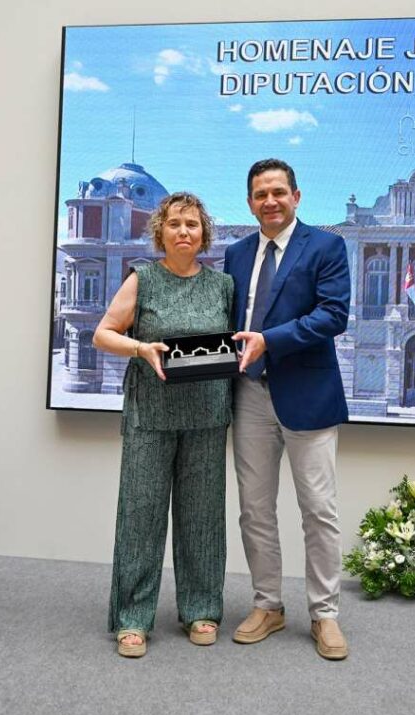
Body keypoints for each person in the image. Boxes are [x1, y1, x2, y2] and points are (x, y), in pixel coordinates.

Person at [93, 192, 233, 658]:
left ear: (204, 233)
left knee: (203, 518)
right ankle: (132, 618)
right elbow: (103, 334)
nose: (183, 231)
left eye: (192, 224)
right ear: (160, 232)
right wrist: (140, 348)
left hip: (207, 415)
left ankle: (202, 610)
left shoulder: (223, 286)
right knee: (141, 517)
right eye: (174, 224)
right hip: (150, 416)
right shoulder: (143, 278)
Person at [224, 159, 351, 660]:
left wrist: (269, 341)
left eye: (278, 191)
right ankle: (268, 605)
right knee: (255, 509)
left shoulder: (326, 246)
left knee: (318, 510)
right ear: (250, 202)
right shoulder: (235, 254)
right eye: (260, 194)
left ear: (296, 196)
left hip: (308, 395)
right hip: (249, 395)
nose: (270, 201)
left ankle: (325, 614)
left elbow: (333, 315)